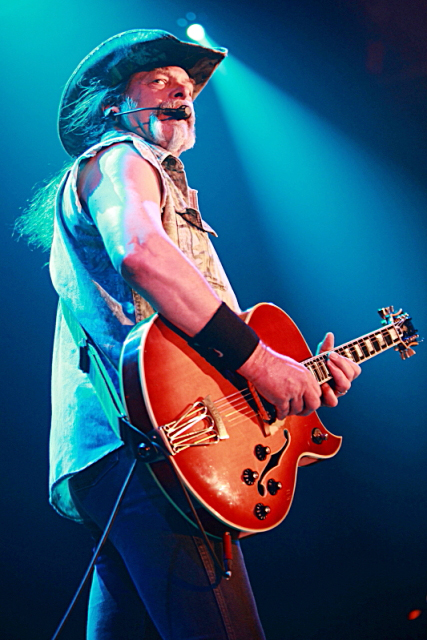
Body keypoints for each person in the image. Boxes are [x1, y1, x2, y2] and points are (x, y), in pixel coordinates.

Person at [27, 29, 361, 640]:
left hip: (128, 454)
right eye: (159, 82)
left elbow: (192, 345)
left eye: (187, 88)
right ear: (114, 104)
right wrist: (263, 364)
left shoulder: (160, 182)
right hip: (151, 448)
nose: (181, 95)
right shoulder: (121, 157)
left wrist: (298, 383)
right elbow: (141, 254)